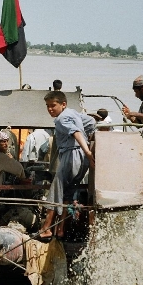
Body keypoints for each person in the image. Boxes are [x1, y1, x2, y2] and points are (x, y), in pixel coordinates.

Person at [38, 91, 95, 240]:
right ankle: (60, 229)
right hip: (82, 160)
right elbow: (91, 122)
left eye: (53, 106)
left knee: (56, 189)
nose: (50, 109)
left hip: (72, 155)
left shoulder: (60, 119)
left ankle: (46, 228)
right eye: (47, 106)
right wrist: (87, 148)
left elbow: (75, 132)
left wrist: (88, 151)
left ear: (63, 104)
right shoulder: (73, 113)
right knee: (68, 193)